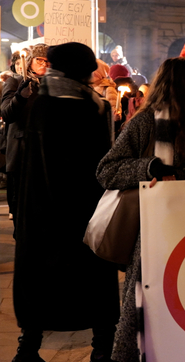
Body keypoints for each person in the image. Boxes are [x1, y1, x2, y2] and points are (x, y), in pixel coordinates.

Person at [97, 57, 185, 362]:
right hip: (152, 247)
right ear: (181, 84)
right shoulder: (145, 123)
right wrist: (149, 168)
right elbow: (106, 171)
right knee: (145, 325)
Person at [12, 42, 119, 362]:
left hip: (40, 212)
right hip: (85, 212)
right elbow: (103, 163)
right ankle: (103, 348)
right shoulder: (94, 107)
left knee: (38, 282)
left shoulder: (38, 104)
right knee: (95, 283)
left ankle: (27, 349)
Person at [2, 43, 48, 226]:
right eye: (40, 60)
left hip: (44, 155)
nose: (44, 64)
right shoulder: (14, 81)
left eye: (48, 61)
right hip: (22, 154)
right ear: (30, 62)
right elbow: (6, 113)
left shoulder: (53, 86)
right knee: (22, 212)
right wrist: (20, 97)